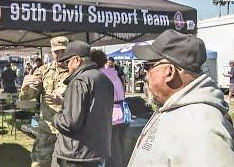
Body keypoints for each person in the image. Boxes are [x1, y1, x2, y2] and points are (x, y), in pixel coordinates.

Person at [128, 29, 234, 166]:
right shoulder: (177, 107)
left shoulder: (201, 127)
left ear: (169, 72)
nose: (145, 74)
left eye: (148, 66)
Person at [53, 41, 114, 167]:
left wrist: (56, 117)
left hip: (75, 154)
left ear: (76, 60)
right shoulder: (104, 79)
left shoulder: (79, 81)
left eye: (67, 62)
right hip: (96, 151)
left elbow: (70, 122)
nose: (67, 67)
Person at [20, 36, 69, 167]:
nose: (59, 55)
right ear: (51, 52)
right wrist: (25, 88)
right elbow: (29, 96)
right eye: (56, 52)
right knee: (39, 163)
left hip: (67, 131)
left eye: (62, 51)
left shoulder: (74, 71)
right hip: (46, 129)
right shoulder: (43, 70)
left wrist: (63, 102)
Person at [90, 50, 129, 167]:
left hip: (110, 114)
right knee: (117, 144)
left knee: (110, 146)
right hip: (121, 112)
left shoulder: (99, 75)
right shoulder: (113, 72)